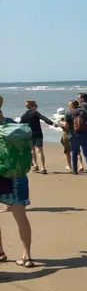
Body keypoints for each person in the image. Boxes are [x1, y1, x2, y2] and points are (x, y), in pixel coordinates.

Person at [0, 105, 34, 268]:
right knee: (21, 217)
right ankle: (27, 256)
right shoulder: (13, 126)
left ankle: (0, 252)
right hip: (17, 175)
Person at [19, 100, 54, 174]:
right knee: (39, 151)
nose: (37, 107)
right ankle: (43, 167)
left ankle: (35, 165)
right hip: (38, 134)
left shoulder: (24, 115)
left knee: (32, 150)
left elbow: (20, 125)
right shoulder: (35, 113)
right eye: (36, 105)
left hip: (29, 135)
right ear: (32, 106)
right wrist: (52, 123)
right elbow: (43, 118)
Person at [62, 100, 87, 176]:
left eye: (69, 105)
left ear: (72, 105)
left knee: (74, 152)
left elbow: (66, 125)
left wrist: (61, 124)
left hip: (74, 135)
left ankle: (75, 170)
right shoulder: (84, 112)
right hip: (85, 135)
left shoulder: (68, 113)